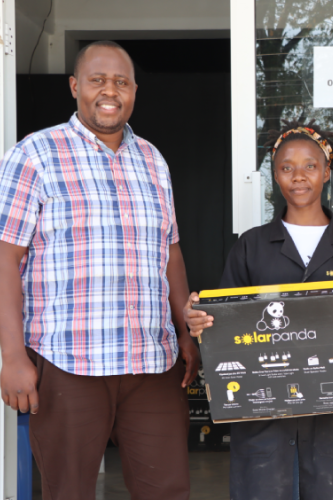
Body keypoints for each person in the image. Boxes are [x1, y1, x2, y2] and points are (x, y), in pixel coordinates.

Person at [0, 41, 199, 499]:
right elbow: (5, 258)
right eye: (97, 80)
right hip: (69, 360)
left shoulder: (152, 159)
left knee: (167, 489)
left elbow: (170, 251)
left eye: (121, 82)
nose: (110, 91)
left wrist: (184, 332)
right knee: (68, 490)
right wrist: (11, 356)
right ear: (75, 87)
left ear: (134, 91)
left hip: (151, 361)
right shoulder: (35, 154)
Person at [184, 119, 333, 500]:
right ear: (275, 176)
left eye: (310, 166)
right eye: (286, 167)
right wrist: (199, 321)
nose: (299, 176)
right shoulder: (250, 248)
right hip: (264, 423)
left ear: (326, 172)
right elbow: (223, 325)